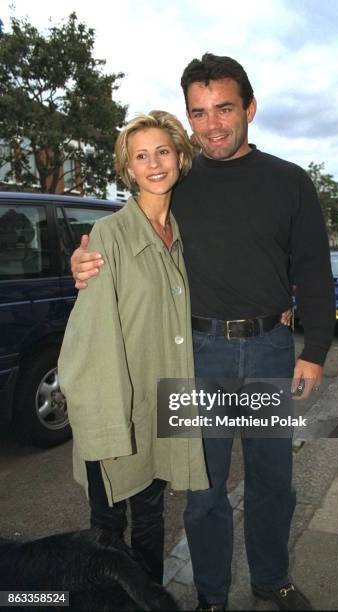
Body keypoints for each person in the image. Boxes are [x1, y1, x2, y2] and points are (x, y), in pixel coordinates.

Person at [71, 54, 335, 611]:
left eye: (224, 109)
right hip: (195, 354)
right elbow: (131, 227)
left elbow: (313, 267)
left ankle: (270, 579)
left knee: (272, 482)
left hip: (268, 349)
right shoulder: (179, 181)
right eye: (199, 112)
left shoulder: (289, 181)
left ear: (250, 108)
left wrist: (314, 352)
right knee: (202, 490)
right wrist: (85, 260)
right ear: (188, 119)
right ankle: (211, 596)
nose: (212, 124)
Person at [58, 111, 210, 586]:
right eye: (140, 156)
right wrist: (105, 426)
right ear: (129, 168)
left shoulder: (186, 234)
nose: (154, 163)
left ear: (179, 157)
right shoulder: (109, 235)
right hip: (117, 409)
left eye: (162, 151)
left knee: (150, 522)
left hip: (161, 403)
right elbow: (92, 336)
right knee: (107, 531)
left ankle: (148, 598)